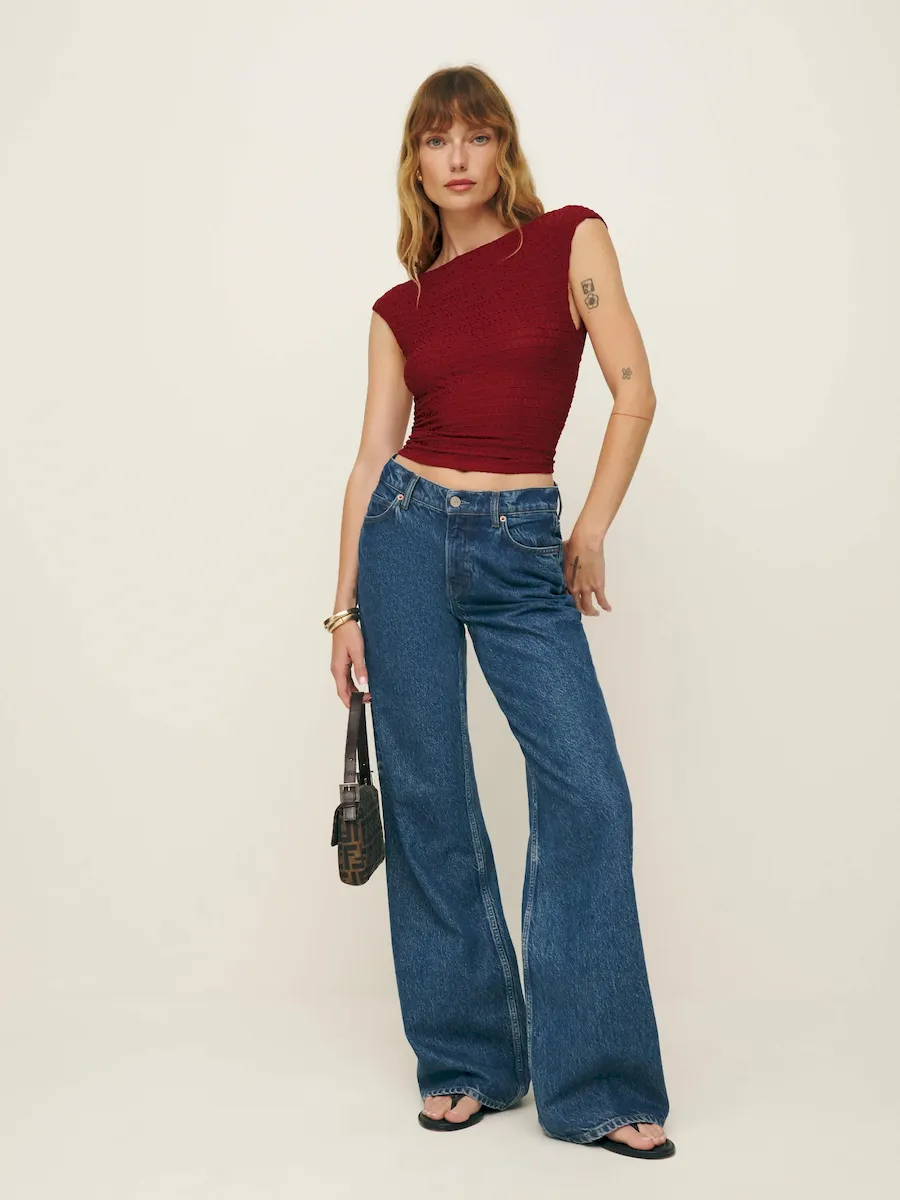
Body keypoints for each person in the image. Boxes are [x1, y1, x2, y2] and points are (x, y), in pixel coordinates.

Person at [327, 65, 675, 1160]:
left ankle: (599, 1083)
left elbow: (634, 392)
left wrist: (591, 528)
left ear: (503, 149)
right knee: (429, 794)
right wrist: (341, 610)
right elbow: (371, 457)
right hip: (404, 535)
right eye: (437, 140)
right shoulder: (398, 310)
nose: (458, 157)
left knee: (589, 793)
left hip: (524, 538)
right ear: (416, 164)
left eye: (477, 135)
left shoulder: (571, 240)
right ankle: (469, 1059)